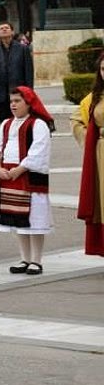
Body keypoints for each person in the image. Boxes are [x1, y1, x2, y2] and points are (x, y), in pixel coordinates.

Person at [0, 86, 54, 275]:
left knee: (34, 219)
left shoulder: (38, 125)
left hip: (29, 177)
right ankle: (24, 258)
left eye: (17, 101)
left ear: (29, 103)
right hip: (9, 177)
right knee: (18, 218)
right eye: (11, 101)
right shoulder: (6, 124)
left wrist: (19, 169)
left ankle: (36, 260)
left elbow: (39, 151)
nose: (13, 105)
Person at [71, 51, 104, 257]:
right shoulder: (93, 99)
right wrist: (90, 136)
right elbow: (76, 120)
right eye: (102, 69)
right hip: (101, 155)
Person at [0, 22, 35, 122]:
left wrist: (29, 93)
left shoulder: (22, 49)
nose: (4, 30)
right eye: (1, 28)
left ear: (12, 32)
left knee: (20, 121)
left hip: (19, 93)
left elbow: (28, 72)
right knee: (4, 122)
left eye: (7, 28)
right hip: (0, 94)